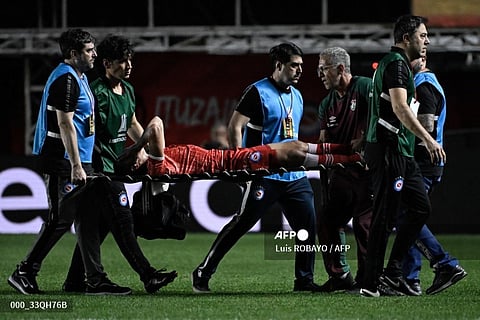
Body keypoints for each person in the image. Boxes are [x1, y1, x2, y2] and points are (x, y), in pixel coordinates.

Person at [189, 42, 325, 293]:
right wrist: (241, 163)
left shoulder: (298, 95)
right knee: (241, 224)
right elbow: (234, 126)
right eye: (294, 66)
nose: (299, 71)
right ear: (278, 66)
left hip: (293, 175)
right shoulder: (257, 92)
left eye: (301, 66)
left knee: (308, 227)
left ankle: (304, 281)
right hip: (263, 174)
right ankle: (202, 272)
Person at [8, 29, 129, 295]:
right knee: (59, 220)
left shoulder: (80, 77)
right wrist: (75, 164)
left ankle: (94, 280)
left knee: (87, 219)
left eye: (93, 49)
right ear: (73, 54)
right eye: (89, 50)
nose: (94, 54)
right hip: (62, 162)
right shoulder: (66, 80)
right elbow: (65, 123)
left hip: (79, 161)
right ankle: (25, 271)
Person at [62, 34, 178, 295]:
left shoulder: (127, 90)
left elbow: (133, 123)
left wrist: (146, 152)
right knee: (123, 219)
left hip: (114, 167)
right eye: (123, 61)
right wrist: (132, 151)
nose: (129, 66)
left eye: (130, 61)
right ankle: (148, 275)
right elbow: (87, 133)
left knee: (96, 226)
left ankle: (75, 281)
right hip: (99, 168)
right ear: (106, 63)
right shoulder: (95, 92)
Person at [359, 15, 447, 297]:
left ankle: (394, 272)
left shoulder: (396, 66)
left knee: (421, 208)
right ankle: (371, 284)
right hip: (389, 149)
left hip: (401, 151)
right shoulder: (397, 65)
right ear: (406, 38)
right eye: (422, 36)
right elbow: (399, 107)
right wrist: (428, 139)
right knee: (385, 217)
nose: (427, 41)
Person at [401, 56, 466, 295]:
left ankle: (443, 264)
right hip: (429, 161)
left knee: (407, 216)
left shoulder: (423, 84)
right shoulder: (425, 81)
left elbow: (426, 126)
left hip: (424, 161)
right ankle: (410, 278)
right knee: (407, 215)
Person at [118, 116, 362, 176]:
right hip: (229, 163)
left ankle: (348, 149)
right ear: (136, 162)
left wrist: (137, 148)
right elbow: (156, 125)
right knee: (295, 155)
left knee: (294, 144)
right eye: (133, 155)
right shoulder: (156, 165)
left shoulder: (150, 157)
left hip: (228, 156)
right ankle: (353, 160)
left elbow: (149, 124)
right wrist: (139, 145)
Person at [314, 47, 373, 292]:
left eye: (323, 68)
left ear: (340, 69)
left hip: (368, 173)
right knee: (327, 222)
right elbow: (323, 140)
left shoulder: (365, 87)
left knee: (364, 226)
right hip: (341, 175)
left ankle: (368, 280)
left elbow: (385, 116)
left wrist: (366, 139)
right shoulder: (326, 104)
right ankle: (341, 277)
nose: (319, 74)